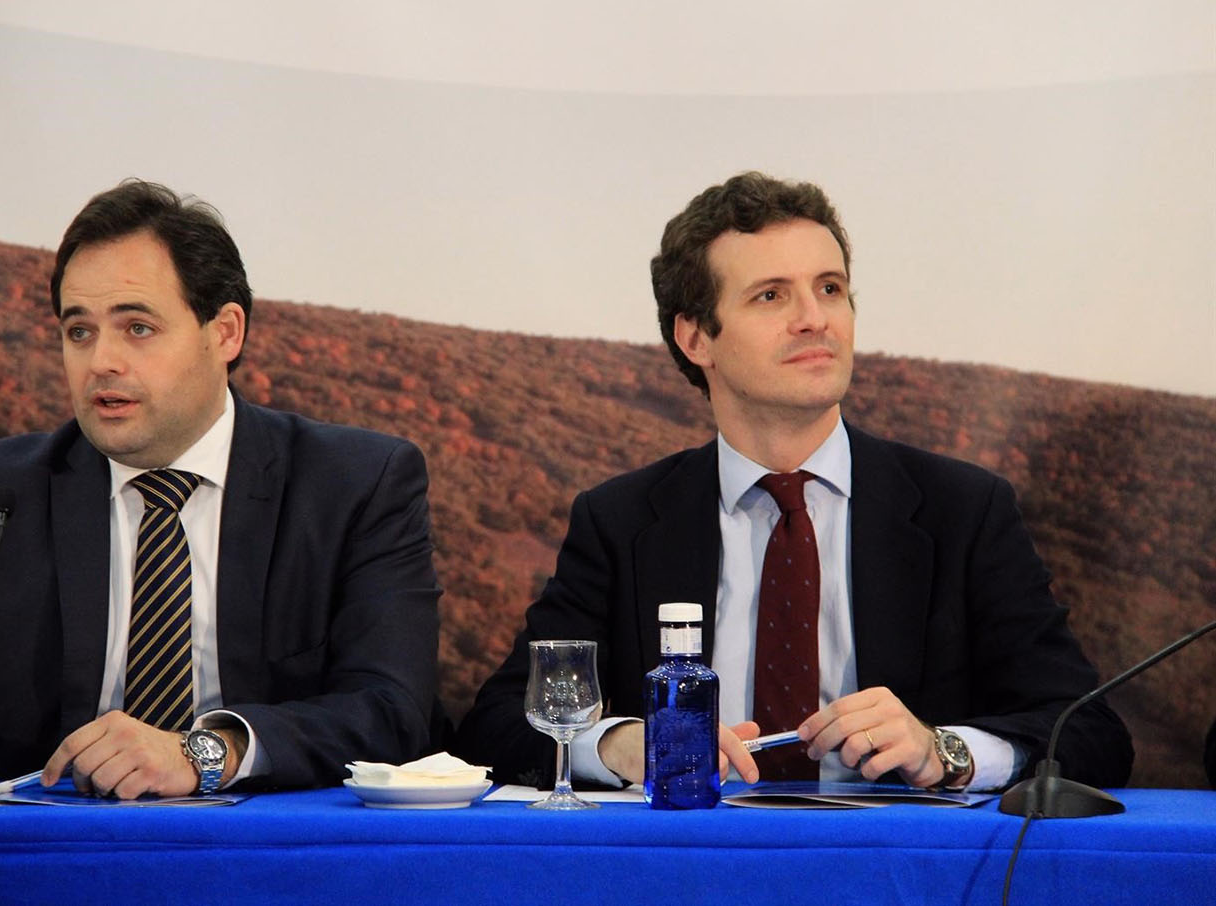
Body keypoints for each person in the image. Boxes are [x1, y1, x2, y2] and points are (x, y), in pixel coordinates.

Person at [453, 171, 1132, 793]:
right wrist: (620, 745)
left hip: (896, 870)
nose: (815, 317)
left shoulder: (962, 511)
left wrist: (942, 751)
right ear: (696, 340)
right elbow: (499, 723)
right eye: (771, 295)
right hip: (686, 867)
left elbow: (1092, 734)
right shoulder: (622, 522)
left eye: (829, 288)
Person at [0, 180, 443, 799]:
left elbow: (390, 708)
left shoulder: (353, 484)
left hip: (270, 857)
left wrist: (205, 752)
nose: (100, 360)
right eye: (78, 331)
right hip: (36, 862)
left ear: (225, 333)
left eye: (136, 327)